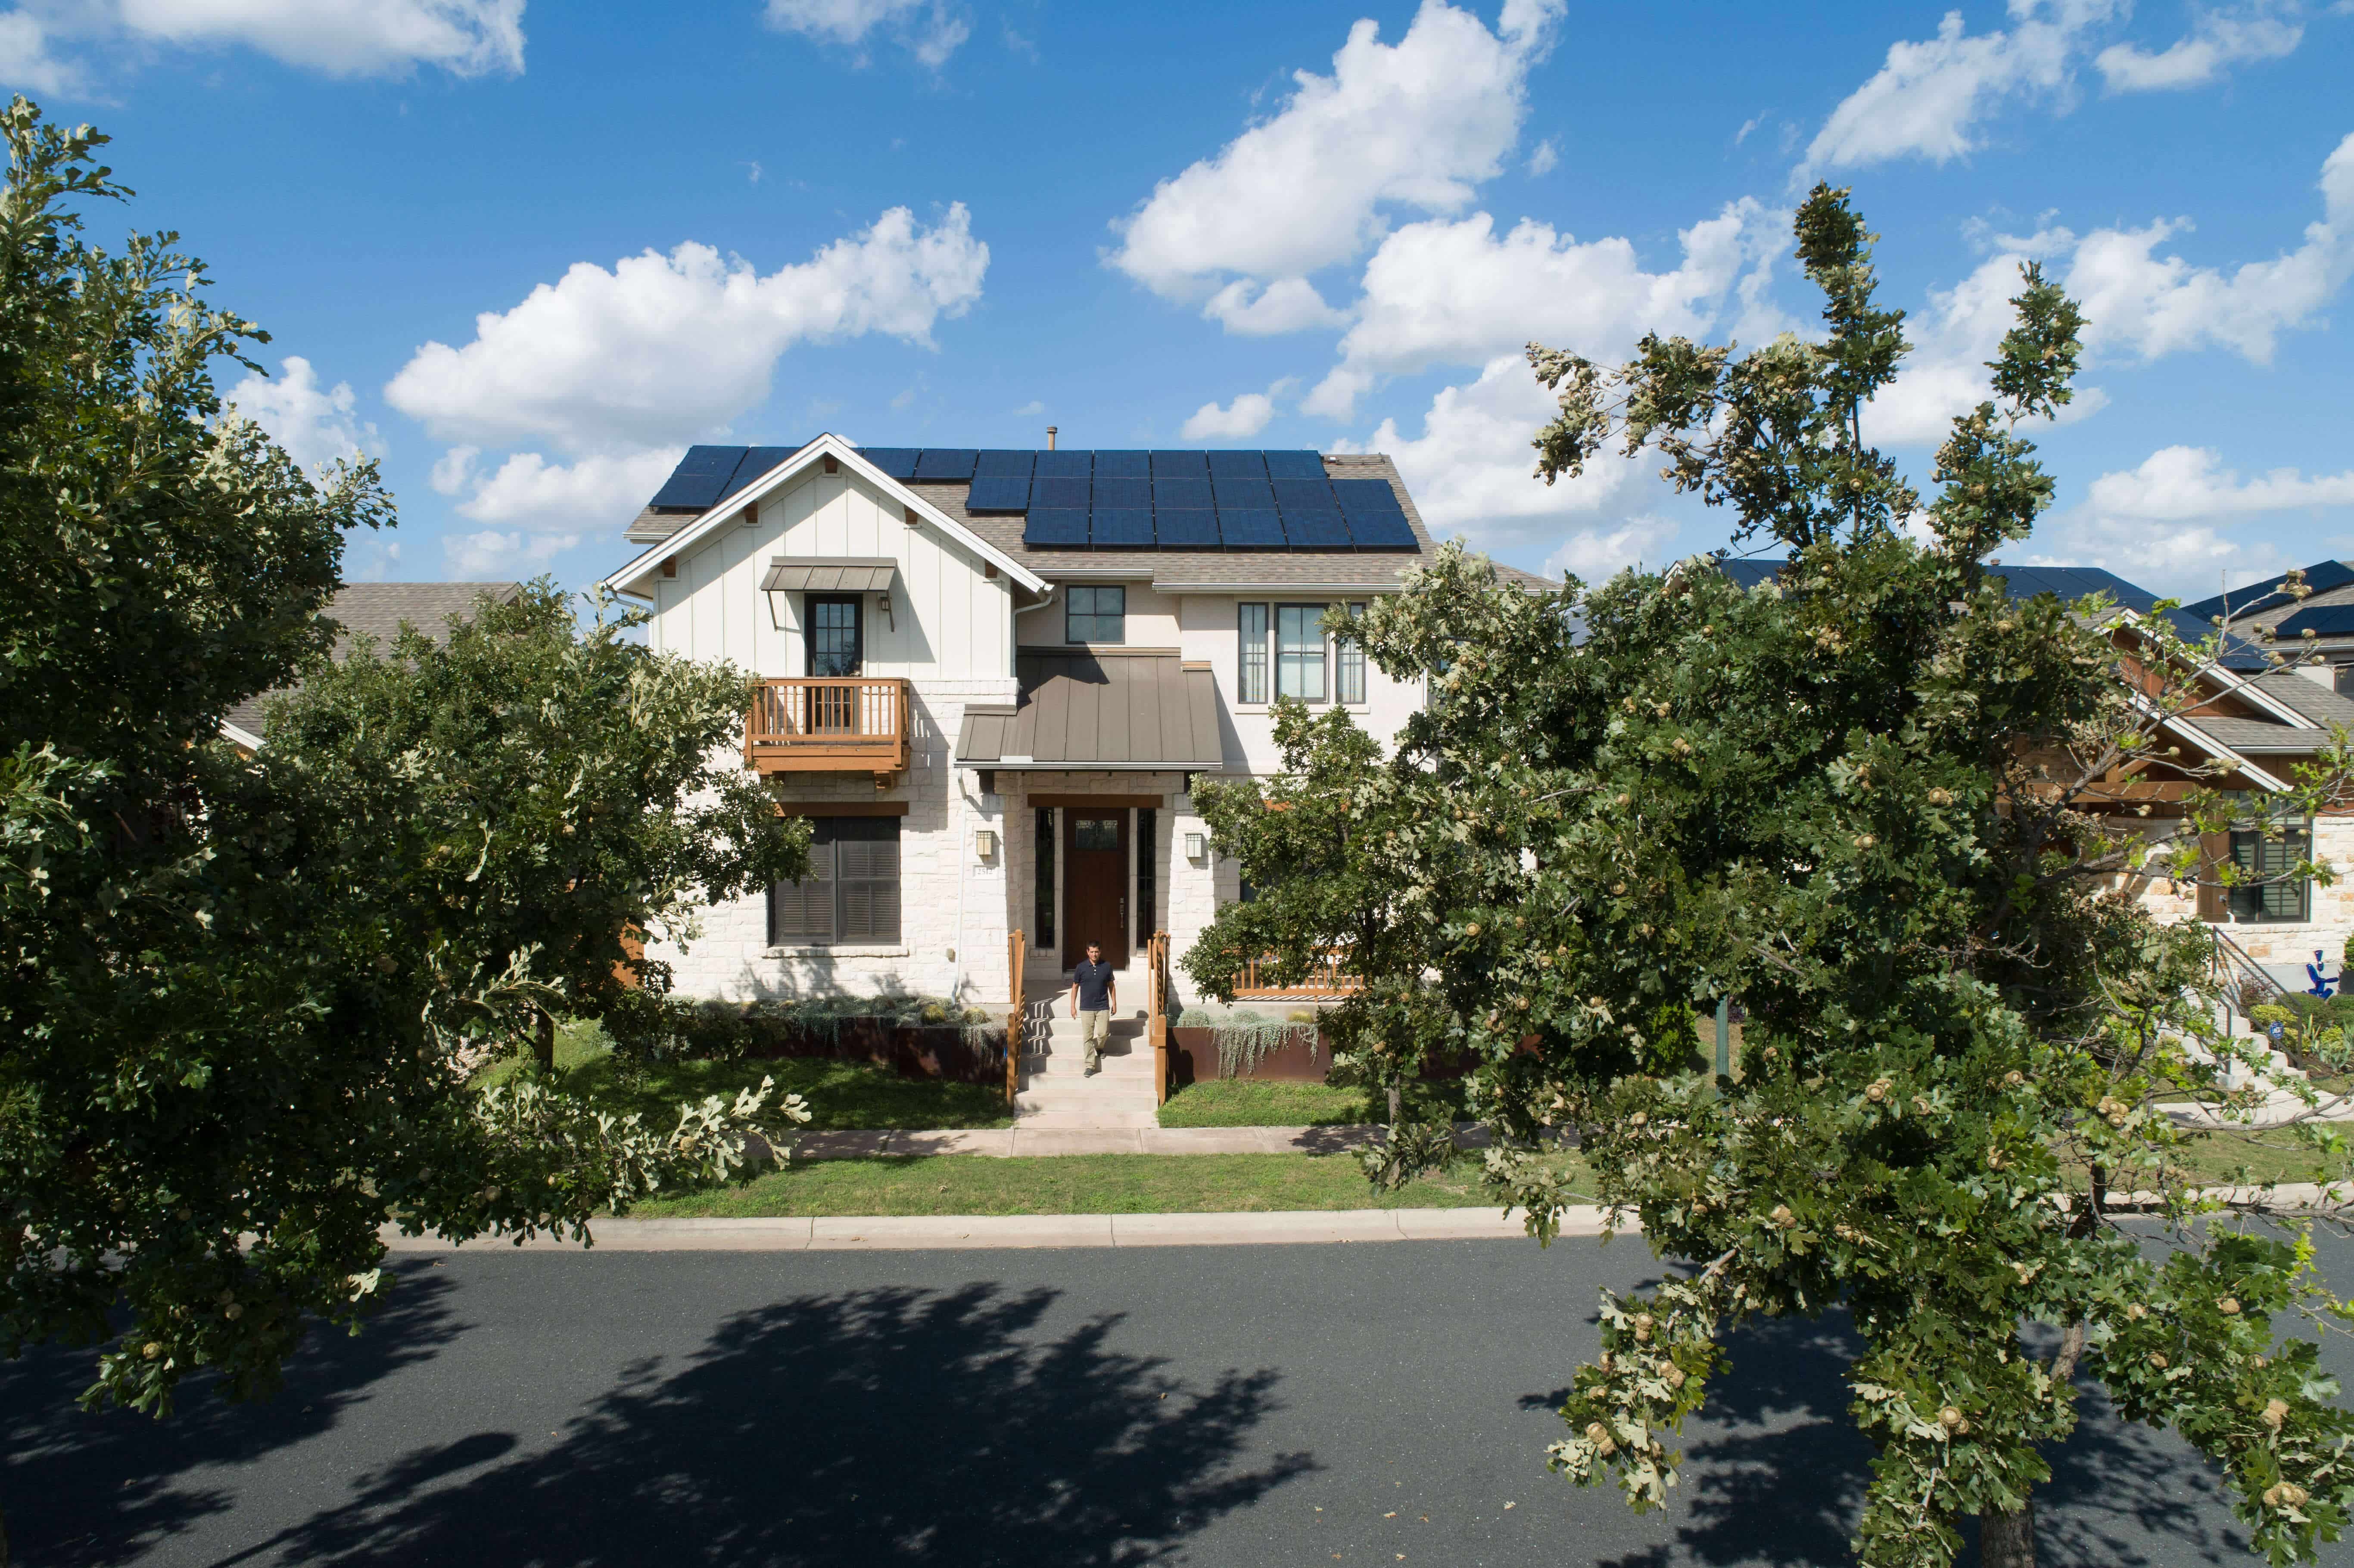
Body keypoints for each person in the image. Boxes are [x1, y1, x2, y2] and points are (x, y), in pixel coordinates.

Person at [1067, 942, 1118, 1076]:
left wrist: (1115, 1003)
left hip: (1103, 1006)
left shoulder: (1107, 966)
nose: (1094, 954)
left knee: (1103, 1033)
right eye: (1092, 952)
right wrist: (1073, 1006)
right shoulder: (1081, 968)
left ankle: (1099, 1047)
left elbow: (1111, 986)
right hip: (1086, 1008)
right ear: (1087, 952)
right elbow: (1075, 987)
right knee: (1087, 1037)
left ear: (1100, 952)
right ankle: (1090, 1066)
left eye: (1097, 952)